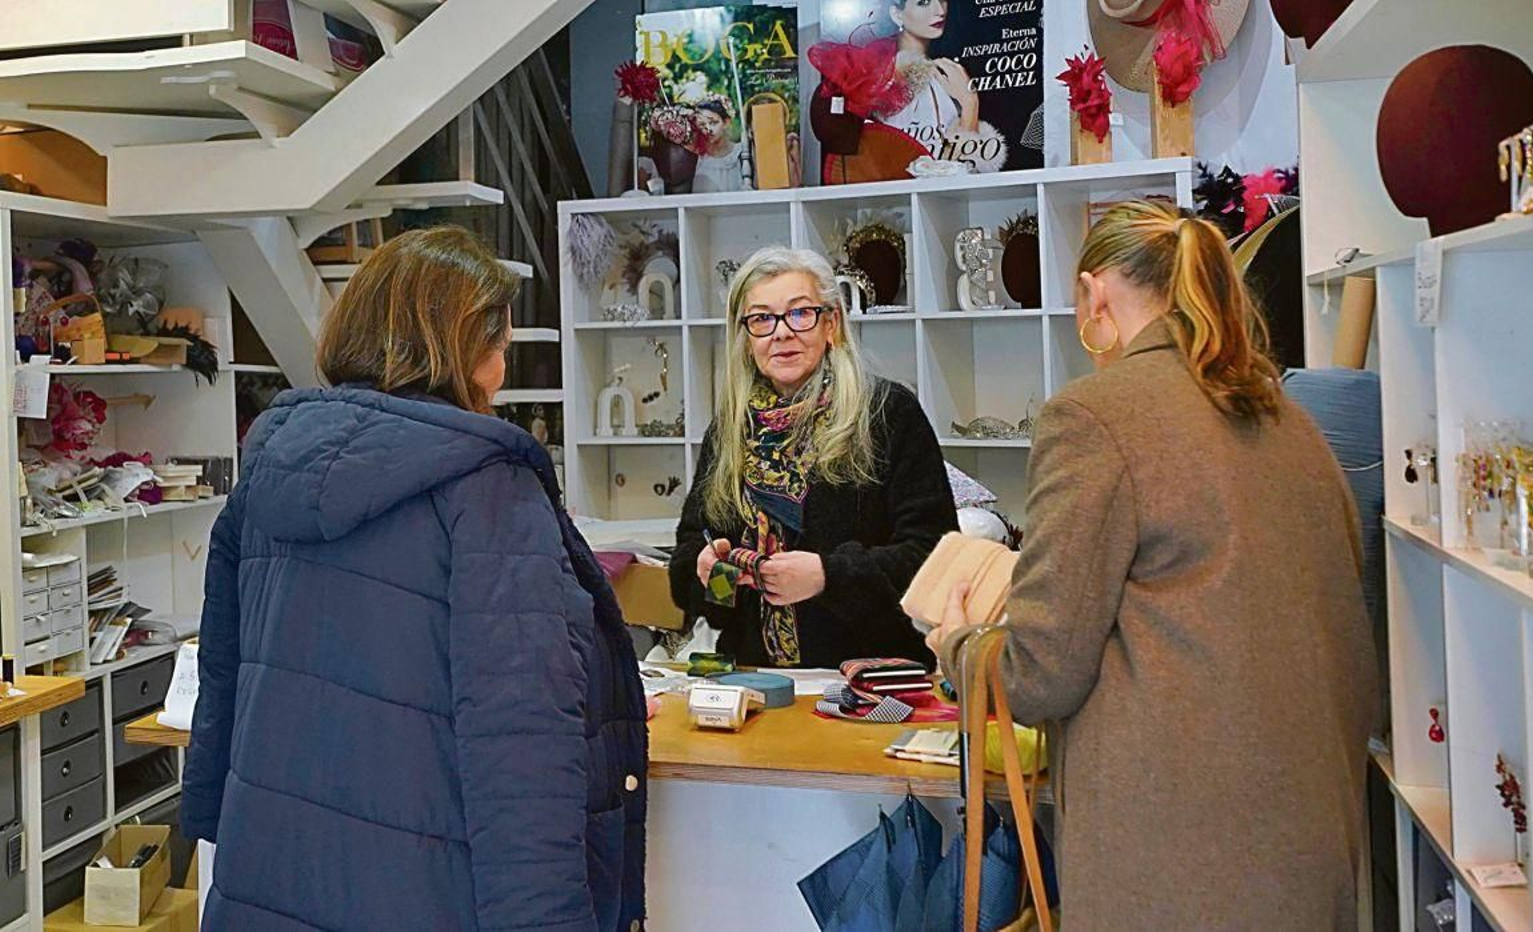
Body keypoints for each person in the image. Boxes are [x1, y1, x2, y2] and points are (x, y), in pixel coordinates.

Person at [923, 202, 1378, 929]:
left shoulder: (1095, 415)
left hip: (1179, 852)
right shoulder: (1285, 417)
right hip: (1311, 837)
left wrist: (959, 646)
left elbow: (1043, 672)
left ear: (1094, 293)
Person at [181, 227, 647, 930]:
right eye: (499, 343)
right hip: (427, 888)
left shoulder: (271, 464)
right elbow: (521, 741)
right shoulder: (487, 489)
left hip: (271, 874)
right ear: (465, 348)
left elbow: (222, 677)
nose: (502, 365)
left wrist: (211, 818)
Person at [670, 246, 956, 668]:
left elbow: (935, 557)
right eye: (762, 319)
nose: (781, 333)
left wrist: (828, 576)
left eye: (800, 313)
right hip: (754, 681)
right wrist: (715, 575)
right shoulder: (730, 431)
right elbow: (687, 566)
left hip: (868, 682)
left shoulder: (886, 414)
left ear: (832, 325)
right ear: (747, 339)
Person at [880, 0, 1006, 171]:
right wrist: (970, 103)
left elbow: (962, 172)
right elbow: (949, 171)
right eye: (923, 2)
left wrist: (970, 104)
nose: (940, 11)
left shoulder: (952, 72)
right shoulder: (886, 81)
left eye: (942, 0)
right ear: (897, 14)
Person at [691, 97, 747, 193]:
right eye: (702, 125)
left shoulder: (741, 153)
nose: (708, 129)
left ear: (725, 122)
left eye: (713, 123)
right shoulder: (697, 157)